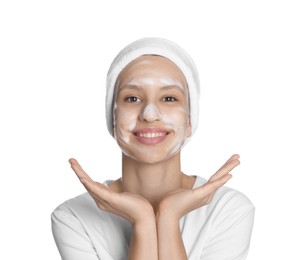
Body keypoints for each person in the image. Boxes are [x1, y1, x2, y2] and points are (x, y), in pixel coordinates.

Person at [51, 37, 255, 260]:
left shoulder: (227, 210)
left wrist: (168, 216)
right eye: (132, 98)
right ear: (112, 117)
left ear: (189, 120)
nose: (149, 114)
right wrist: (143, 220)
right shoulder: (74, 217)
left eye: (168, 98)